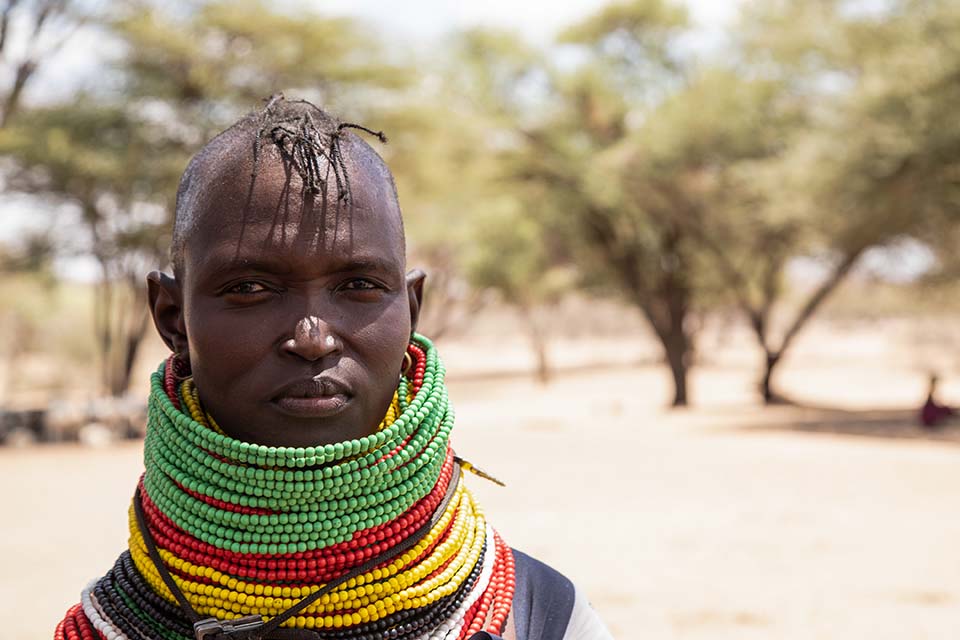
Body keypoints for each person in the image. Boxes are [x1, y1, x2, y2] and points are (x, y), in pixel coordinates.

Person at [55, 96, 612, 640]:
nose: (312, 338)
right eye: (250, 288)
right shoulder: (102, 627)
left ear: (412, 308)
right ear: (173, 318)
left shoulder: (545, 620)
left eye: (360, 286)